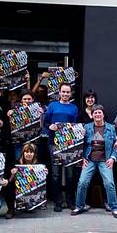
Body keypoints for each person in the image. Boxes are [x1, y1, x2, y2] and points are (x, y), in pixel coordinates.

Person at [71, 105, 117, 219]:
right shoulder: (87, 127)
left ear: (103, 115)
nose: (97, 115)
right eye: (95, 113)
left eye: (99, 112)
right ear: (92, 115)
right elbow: (79, 143)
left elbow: (116, 145)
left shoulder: (111, 128)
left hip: (105, 160)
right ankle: (79, 206)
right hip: (90, 160)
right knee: (82, 182)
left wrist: (113, 158)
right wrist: (82, 157)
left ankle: (114, 208)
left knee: (109, 183)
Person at [42, 83, 79, 212]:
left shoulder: (74, 108)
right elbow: (45, 122)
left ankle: (70, 200)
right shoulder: (52, 105)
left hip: (69, 144)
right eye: (63, 92)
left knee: (70, 174)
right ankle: (58, 201)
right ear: (59, 93)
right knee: (56, 174)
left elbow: (75, 125)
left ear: (71, 93)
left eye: (68, 92)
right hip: (54, 143)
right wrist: (50, 126)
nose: (65, 94)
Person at [78, 89, 109, 211]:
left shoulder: (101, 112)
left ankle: (106, 202)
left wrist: (116, 139)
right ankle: (85, 203)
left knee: (103, 179)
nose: (90, 100)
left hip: (102, 152)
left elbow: (109, 129)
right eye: (87, 97)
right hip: (88, 152)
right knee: (85, 180)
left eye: (92, 97)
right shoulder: (81, 114)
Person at [8, 142, 45, 218]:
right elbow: (10, 181)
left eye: (31, 152)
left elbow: (41, 182)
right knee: (9, 186)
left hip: (32, 186)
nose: (29, 154)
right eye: (26, 152)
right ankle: (11, 209)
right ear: (23, 153)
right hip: (20, 186)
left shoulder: (39, 164)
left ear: (34, 154)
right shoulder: (17, 163)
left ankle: (31, 204)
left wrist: (44, 174)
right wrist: (13, 174)